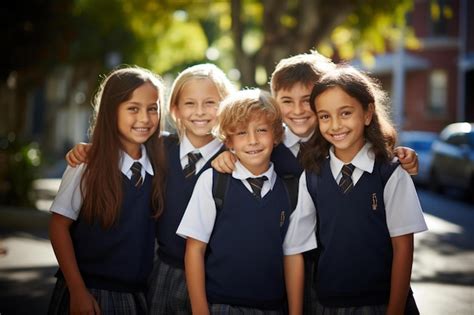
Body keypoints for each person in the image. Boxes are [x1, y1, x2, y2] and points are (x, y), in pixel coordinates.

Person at [210, 52, 420, 313]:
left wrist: (404, 157)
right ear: (275, 102)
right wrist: (226, 157)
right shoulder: (262, 145)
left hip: (341, 273)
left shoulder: (342, 149)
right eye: (287, 101)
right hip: (280, 269)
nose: (298, 111)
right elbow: (239, 143)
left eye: (306, 101)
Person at [65, 63, 236, 314]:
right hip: (162, 273)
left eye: (211, 103)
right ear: (174, 109)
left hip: (214, 277)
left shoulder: (234, 159)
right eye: (190, 103)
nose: (200, 112)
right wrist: (88, 149)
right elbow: (123, 146)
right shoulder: (159, 149)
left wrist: (233, 154)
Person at [285, 65, 428, 315]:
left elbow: (403, 248)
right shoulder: (312, 176)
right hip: (328, 305)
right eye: (325, 116)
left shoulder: (391, 172)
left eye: (345, 113)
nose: (335, 125)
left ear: (368, 113)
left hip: (384, 304)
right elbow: (295, 247)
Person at [48, 66, 167, 314]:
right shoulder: (87, 165)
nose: (145, 118)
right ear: (111, 111)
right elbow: (59, 226)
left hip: (137, 295)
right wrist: (78, 290)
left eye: (152, 108)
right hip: (88, 293)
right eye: (133, 108)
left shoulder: (160, 164)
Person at [177, 89, 303, 315]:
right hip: (221, 307)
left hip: (274, 308)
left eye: (262, 130)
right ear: (229, 140)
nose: (253, 140)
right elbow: (194, 249)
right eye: (242, 132)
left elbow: (292, 255)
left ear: (276, 135)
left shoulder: (291, 189)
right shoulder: (213, 182)